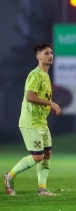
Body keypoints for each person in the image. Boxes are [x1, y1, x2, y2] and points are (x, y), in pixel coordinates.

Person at [3, 43, 62, 196]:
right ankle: (9, 176)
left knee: (47, 154)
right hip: (30, 122)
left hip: (41, 122)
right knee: (37, 156)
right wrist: (50, 103)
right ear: (38, 56)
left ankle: (42, 189)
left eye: (51, 53)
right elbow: (30, 96)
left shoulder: (46, 76)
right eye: (46, 53)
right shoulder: (35, 74)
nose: (50, 55)